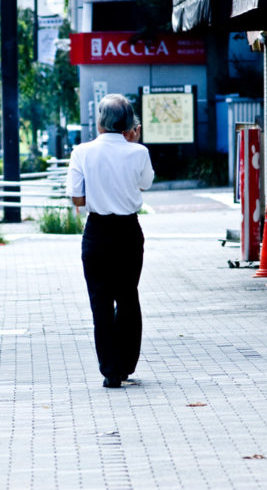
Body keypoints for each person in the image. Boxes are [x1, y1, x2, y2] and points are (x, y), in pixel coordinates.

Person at [66, 94, 155, 389]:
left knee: (100, 302)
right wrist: (133, 141)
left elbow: (77, 197)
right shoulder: (138, 152)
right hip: (128, 231)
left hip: (97, 231)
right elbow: (145, 183)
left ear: (100, 121)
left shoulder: (82, 152)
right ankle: (126, 363)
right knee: (128, 297)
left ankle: (110, 371)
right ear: (130, 124)